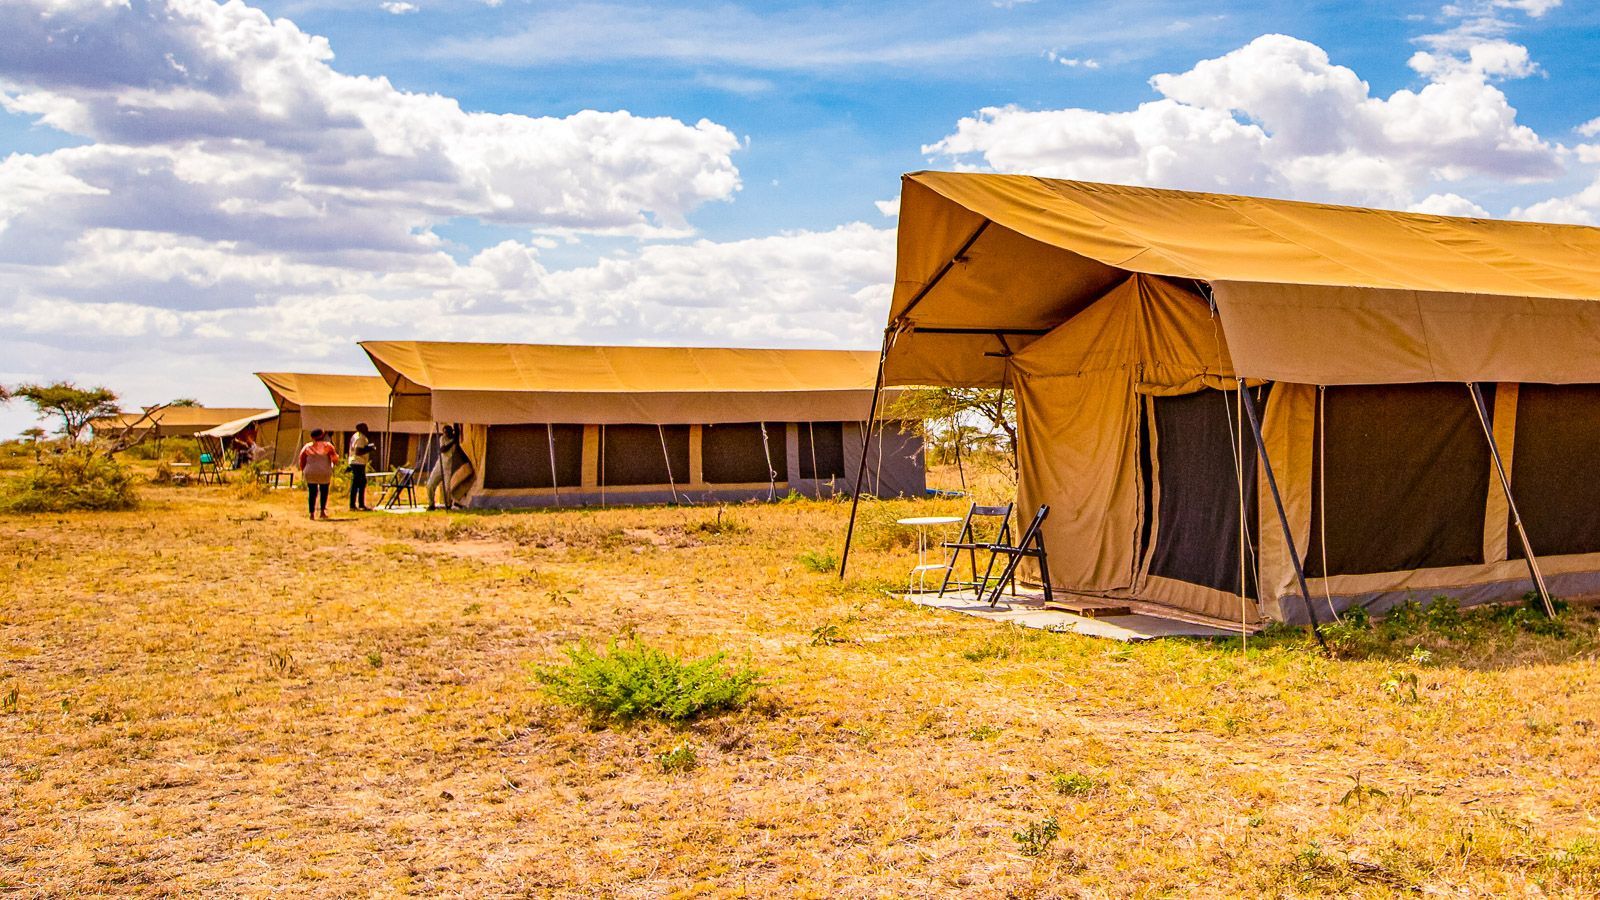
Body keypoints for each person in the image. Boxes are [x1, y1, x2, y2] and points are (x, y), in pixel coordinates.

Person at [297, 428, 339, 520]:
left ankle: (311, 514)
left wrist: (304, 470)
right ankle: (322, 512)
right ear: (322, 435)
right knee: (324, 491)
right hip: (324, 472)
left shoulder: (307, 447)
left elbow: (302, 460)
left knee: (312, 492)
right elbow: (335, 459)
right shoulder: (328, 446)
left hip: (311, 472)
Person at [426, 424, 458, 511]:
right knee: (430, 484)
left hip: (449, 466)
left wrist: (455, 438)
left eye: (447, 432)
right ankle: (431, 504)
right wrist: (453, 441)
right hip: (440, 465)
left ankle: (448, 505)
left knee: (447, 488)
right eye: (444, 432)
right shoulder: (442, 439)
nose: (445, 434)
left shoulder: (456, 439)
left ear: (451, 432)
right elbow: (443, 449)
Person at [347, 423, 375, 512]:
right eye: (365, 427)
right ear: (361, 429)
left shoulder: (355, 436)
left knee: (361, 483)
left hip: (356, 462)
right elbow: (358, 451)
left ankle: (360, 504)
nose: (367, 429)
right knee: (357, 484)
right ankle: (354, 505)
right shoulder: (360, 437)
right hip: (358, 462)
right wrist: (370, 448)